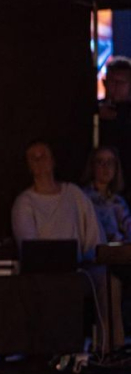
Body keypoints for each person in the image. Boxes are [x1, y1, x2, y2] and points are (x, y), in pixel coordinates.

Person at [12, 141, 124, 353]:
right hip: (44, 276)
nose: (39, 161)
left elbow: (93, 237)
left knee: (108, 281)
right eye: (33, 158)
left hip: (79, 270)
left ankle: (110, 349)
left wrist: (88, 257)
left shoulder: (73, 194)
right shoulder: (24, 202)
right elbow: (29, 248)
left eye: (42, 155)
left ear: (53, 161)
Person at [81, 146, 131, 242]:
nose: (106, 167)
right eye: (100, 162)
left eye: (110, 162)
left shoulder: (118, 201)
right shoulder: (83, 198)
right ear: (92, 166)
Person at [95, 57, 131, 179]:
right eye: (111, 81)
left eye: (121, 82)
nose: (115, 87)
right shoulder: (96, 109)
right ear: (104, 83)